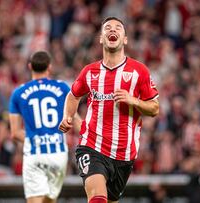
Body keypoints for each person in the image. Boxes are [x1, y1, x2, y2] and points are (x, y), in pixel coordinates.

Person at [59, 17, 159, 203]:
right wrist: (68, 116)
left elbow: (154, 108)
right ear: (101, 38)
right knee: (98, 198)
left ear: (125, 38)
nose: (112, 30)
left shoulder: (139, 71)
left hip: (124, 154)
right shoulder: (89, 72)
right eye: (107, 28)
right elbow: (73, 95)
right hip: (92, 146)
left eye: (118, 28)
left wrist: (133, 101)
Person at [9, 51, 70, 203]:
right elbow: (74, 119)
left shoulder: (18, 93)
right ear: (49, 67)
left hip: (35, 154)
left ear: (30, 67)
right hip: (59, 155)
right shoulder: (62, 88)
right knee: (49, 201)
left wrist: (36, 138)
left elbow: (15, 133)